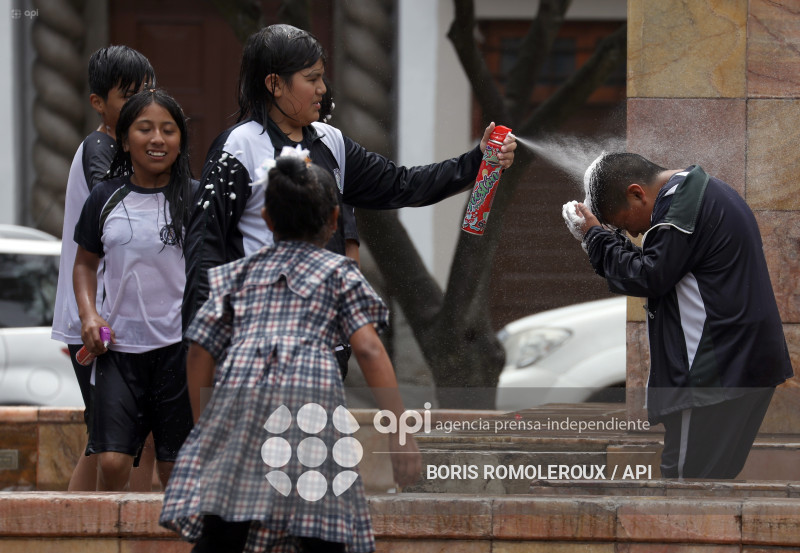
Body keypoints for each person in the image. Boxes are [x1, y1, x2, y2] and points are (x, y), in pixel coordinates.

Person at [160, 151, 422, 553]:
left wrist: (205, 425)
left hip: (240, 403)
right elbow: (370, 350)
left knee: (222, 534)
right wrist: (400, 432)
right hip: (310, 407)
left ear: (265, 218)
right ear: (335, 220)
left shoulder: (238, 275)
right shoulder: (339, 273)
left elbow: (198, 350)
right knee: (324, 540)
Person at [182, 24, 517, 347]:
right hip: (257, 337)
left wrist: (476, 160)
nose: (322, 89)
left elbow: (402, 184)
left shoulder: (332, 142)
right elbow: (205, 249)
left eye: (321, 77)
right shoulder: (237, 147)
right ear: (275, 84)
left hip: (325, 339)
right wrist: (205, 347)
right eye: (311, 79)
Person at [564, 152, 793, 479]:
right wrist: (600, 236)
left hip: (711, 375)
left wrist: (593, 236)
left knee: (685, 485)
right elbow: (662, 264)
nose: (630, 234)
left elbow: (649, 276)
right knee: (711, 484)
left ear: (637, 193)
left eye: (625, 223)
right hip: (742, 368)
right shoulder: (703, 191)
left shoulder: (683, 205)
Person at [72, 88, 196, 490]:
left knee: (174, 471)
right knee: (110, 461)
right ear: (125, 140)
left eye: (168, 130)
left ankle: (177, 552)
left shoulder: (196, 199)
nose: (157, 139)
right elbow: (85, 264)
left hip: (181, 351)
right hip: (119, 349)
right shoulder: (104, 198)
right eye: (145, 129)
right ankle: (112, 548)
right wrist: (90, 315)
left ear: (180, 140)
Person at [50, 45, 159, 491]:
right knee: (115, 439)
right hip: (98, 321)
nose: (141, 103)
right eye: (128, 95)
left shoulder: (126, 147)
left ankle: (103, 538)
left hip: (118, 319)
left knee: (122, 437)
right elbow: (115, 213)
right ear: (98, 103)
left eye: (148, 91)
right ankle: (89, 540)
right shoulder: (101, 147)